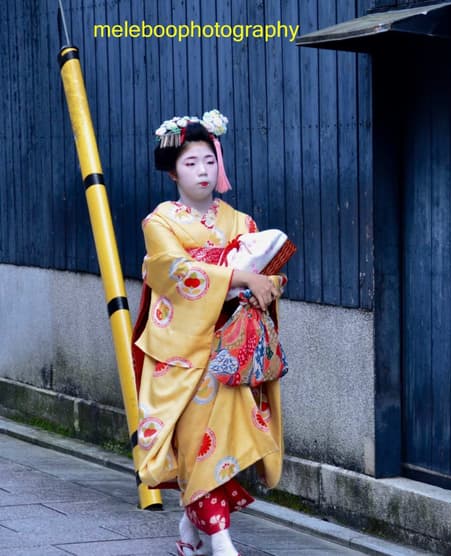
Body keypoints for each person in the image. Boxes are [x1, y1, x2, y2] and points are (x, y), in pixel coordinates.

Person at [131, 110, 285, 556]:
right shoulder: (160, 222)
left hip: (231, 348)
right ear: (173, 171)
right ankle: (220, 540)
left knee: (225, 439)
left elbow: (269, 276)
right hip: (184, 350)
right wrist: (239, 275)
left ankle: (190, 525)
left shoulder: (241, 221)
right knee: (198, 440)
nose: (203, 171)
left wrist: (266, 284)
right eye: (191, 163)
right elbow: (174, 272)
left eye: (208, 161)